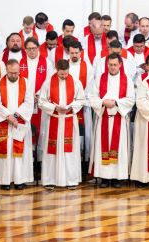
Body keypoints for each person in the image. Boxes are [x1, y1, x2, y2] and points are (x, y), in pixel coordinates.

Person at [89, 53, 135, 188]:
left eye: (115, 65)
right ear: (107, 64)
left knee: (119, 148)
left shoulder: (127, 80)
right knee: (101, 147)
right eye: (110, 64)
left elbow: (131, 99)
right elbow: (92, 96)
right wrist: (103, 101)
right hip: (103, 117)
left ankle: (117, 178)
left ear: (120, 65)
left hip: (119, 119)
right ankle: (104, 177)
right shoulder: (100, 79)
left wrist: (115, 103)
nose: (113, 67)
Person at [39, 59, 85, 190]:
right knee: (52, 151)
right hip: (54, 119)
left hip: (69, 119)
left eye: (66, 74)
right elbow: (41, 102)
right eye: (61, 74)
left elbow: (81, 100)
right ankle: (50, 180)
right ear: (56, 69)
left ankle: (71, 180)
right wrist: (54, 108)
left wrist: (71, 106)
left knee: (70, 151)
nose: (64, 76)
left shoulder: (76, 82)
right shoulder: (48, 82)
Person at [0, 59, 34, 190]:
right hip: (4, 122)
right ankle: (4, 180)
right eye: (11, 73)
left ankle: (19, 180)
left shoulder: (26, 83)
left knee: (19, 152)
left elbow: (28, 102)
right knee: (5, 151)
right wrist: (8, 116)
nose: (14, 76)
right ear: (6, 70)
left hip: (19, 122)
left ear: (19, 71)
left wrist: (15, 116)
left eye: (16, 73)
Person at [19, 37, 53, 156]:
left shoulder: (47, 63)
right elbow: (19, 81)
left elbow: (49, 81)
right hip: (25, 101)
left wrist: (38, 95)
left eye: (34, 48)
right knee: (27, 128)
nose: (32, 51)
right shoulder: (20, 62)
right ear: (25, 50)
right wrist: (28, 96)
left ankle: (39, 158)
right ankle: (28, 155)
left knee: (41, 128)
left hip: (40, 101)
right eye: (29, 49)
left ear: (38, 48)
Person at [68, 41, 94, 162]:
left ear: (81, 53)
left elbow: (90, 87)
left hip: (83, 107)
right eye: (72, 52)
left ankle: (84, 161)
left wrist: (80, 100)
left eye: (76, 53)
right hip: (67, 107)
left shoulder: (88, 67)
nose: (74, 55)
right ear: (68, 53)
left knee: (85, 134)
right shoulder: (64, 66)